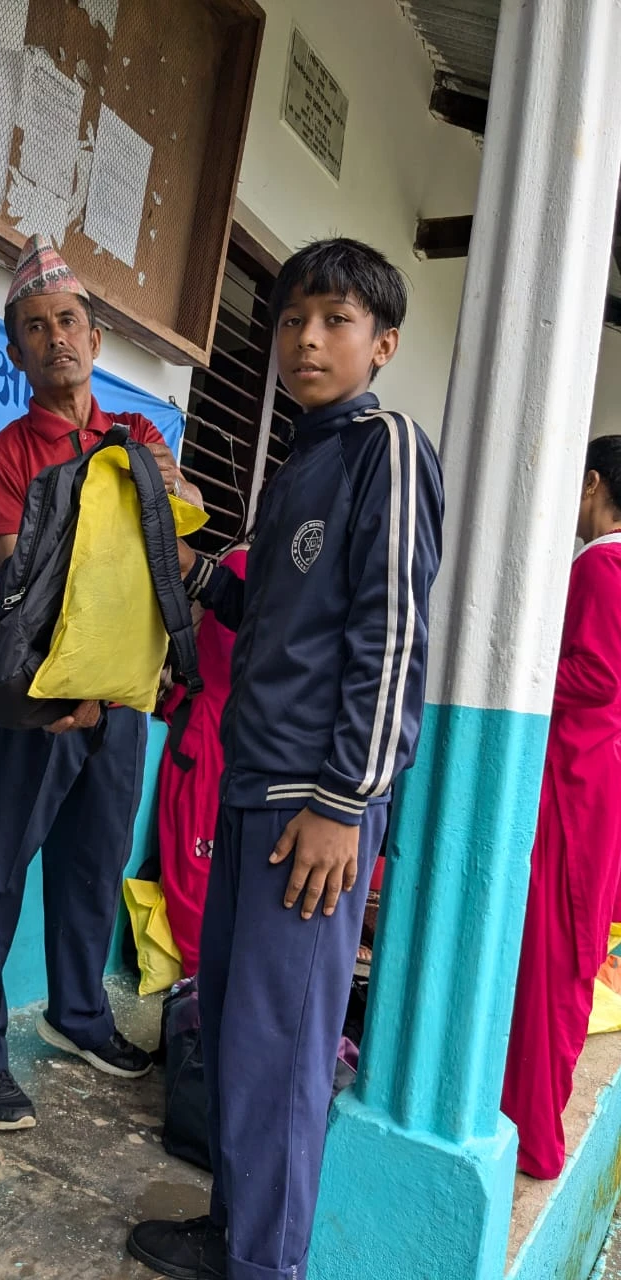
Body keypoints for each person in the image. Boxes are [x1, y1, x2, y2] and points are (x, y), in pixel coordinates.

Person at [128, 238, 444, 1280]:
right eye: (293, 320)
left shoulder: (385, 448)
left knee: (283, 1047)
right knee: (235, 1027)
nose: (306, 339)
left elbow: (390, 637)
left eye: (336, 320)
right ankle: (236, 1233)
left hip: (313, 803)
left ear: (382, 342)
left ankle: (267, 1265)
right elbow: (270, 614)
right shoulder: (300, 465)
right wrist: (193, 568)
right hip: (253, 788)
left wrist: (346, 802)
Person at [0, 235, 200, 1130]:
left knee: (93, 863)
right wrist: (72, 689)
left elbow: (177, 550)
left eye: (69, 321)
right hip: (34, 700)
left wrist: (169, 491)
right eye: (35, 327)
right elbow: (26, 588)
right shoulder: (2, 458)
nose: (56, 337)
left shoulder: (141, 438)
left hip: (122, 696)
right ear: (15, 352)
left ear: (96, 339)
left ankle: (78, 1013)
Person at [502, 435, 621, 1180]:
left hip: (573, 785)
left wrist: (513, 668)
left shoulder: (602, 565)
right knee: (566, 957)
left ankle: (533, 1135)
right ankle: (531, 1121)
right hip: (594, 786)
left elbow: (597, 675)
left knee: (551, 961)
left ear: (593, 484)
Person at [158, 543, 248, 976]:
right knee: (198, 866)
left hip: (232, 738)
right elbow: (235, 662)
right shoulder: (242, 566)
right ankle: (198, 983)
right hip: (206, 735)